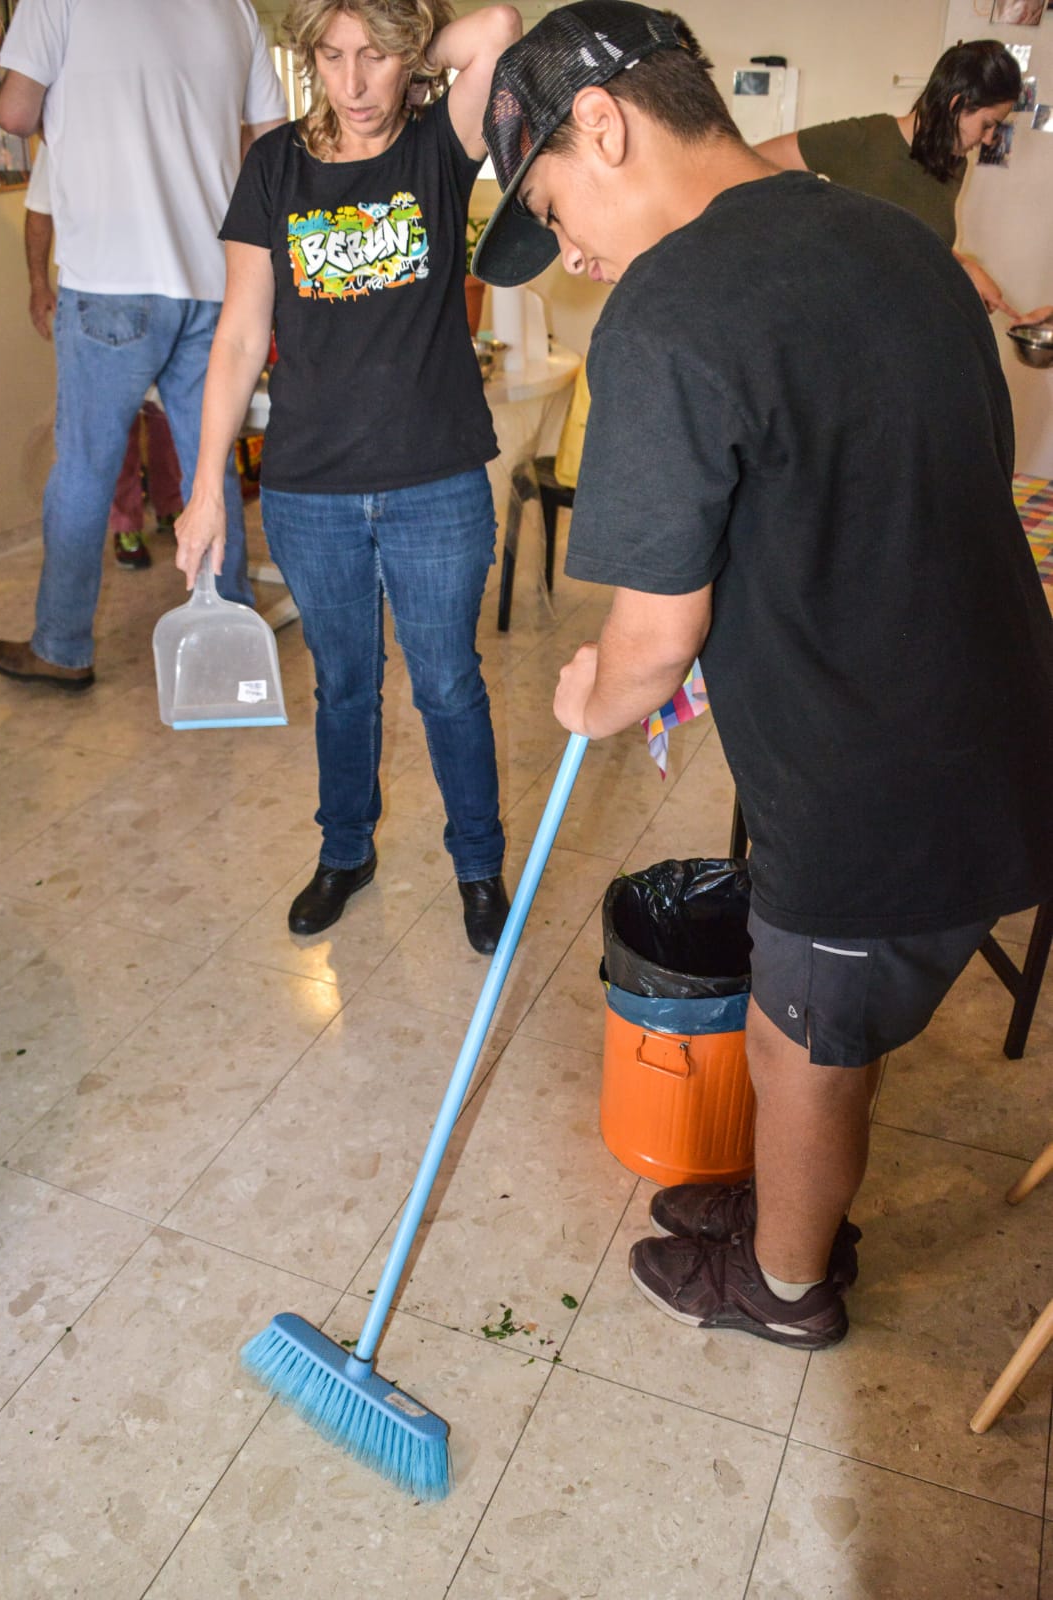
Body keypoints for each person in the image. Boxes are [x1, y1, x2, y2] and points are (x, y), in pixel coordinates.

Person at [473, 1, 1053, 1346]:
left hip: (878, 776)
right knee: (811, 1030)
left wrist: (596, 695)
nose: (570, 249)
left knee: (804, 1046)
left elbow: (652, 637)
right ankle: (783, 1206)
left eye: (555, 205)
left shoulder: (670, 314)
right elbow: (858, 486)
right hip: (1000, 723)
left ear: (604, 126)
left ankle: (786, 1287)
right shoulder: (901, 240)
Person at [175, 0, 521, 953]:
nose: (355, 83)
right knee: (344, 686)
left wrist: (414, 55)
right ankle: (345, 851)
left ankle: (480, 866)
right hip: (309, 485)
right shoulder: (274, 165)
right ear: (307, 58)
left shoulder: (438, 146)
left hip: (434, 478)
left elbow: (496, 26)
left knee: (448, 683)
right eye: (332, 57)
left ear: (408, 57)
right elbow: (241, 334)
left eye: (376, 57)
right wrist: (207, 487)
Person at [0, 0, 287, 693]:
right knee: (208, 465)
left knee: (85, 469)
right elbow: (270, 139)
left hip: (111, 285)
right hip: (213, 281)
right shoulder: (232, 7)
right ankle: (229, 638)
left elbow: (15, 115)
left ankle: (62, 646)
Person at [754, 41, 1027, 318]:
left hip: (902, 327)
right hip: (843, 325)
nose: (990, 139)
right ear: (956, 104)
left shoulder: (954, 165)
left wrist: (967, 268)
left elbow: (913, 238)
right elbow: (753, 161)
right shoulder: (865, 139)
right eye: (988, 124)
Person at [22, 145, 184, 573]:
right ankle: (125, 523)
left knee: (172, 418)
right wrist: (39, 284)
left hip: (172, 287)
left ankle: (173, 505)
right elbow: (40, 210)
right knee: (116, 427)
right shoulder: (67, 121)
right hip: (102, 297)